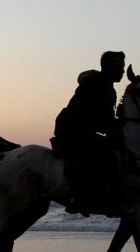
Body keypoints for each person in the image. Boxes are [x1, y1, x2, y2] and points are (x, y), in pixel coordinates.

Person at [52, 51, 126, 214]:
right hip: (72, 129)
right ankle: (79, 198)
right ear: (107, 67)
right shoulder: (93, 85)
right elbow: (89, 115)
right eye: (118, 67)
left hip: (84, 129)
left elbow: (104, 118)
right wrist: (112, 126)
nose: (122, 71)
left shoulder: (109, 89)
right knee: (101, 154)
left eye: (123, 67)